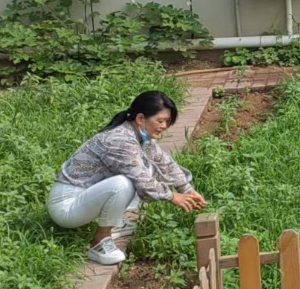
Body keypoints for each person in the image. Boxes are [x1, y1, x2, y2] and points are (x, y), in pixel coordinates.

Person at [48, 91, 205, 266]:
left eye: (167, 121)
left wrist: (187, 189)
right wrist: (172, 196)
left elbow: (164, 163)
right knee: (124, 183)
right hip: (67, 206)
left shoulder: (140, 137)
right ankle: (100, 242)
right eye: (160, 121)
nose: (164, 126)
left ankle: (116, 223)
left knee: (147, 166)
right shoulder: (120, 140)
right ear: (140, 118)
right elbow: (143, 181)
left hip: (86, 195)